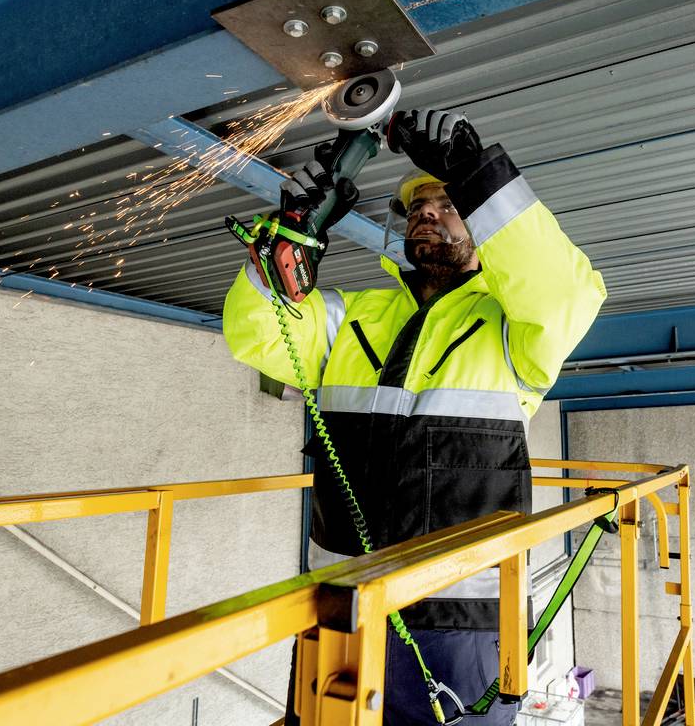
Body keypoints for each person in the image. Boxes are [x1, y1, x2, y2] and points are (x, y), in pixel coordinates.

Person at [224, 108, 606, 725]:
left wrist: (474, 175)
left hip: (459, 624)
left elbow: (568, 292)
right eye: (417, 208)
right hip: (339, 605)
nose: (426, 213)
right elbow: (257, 334)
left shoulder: (515, 335)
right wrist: (283, 240)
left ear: (483, 229)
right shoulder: (350, 315)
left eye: (447, 204)